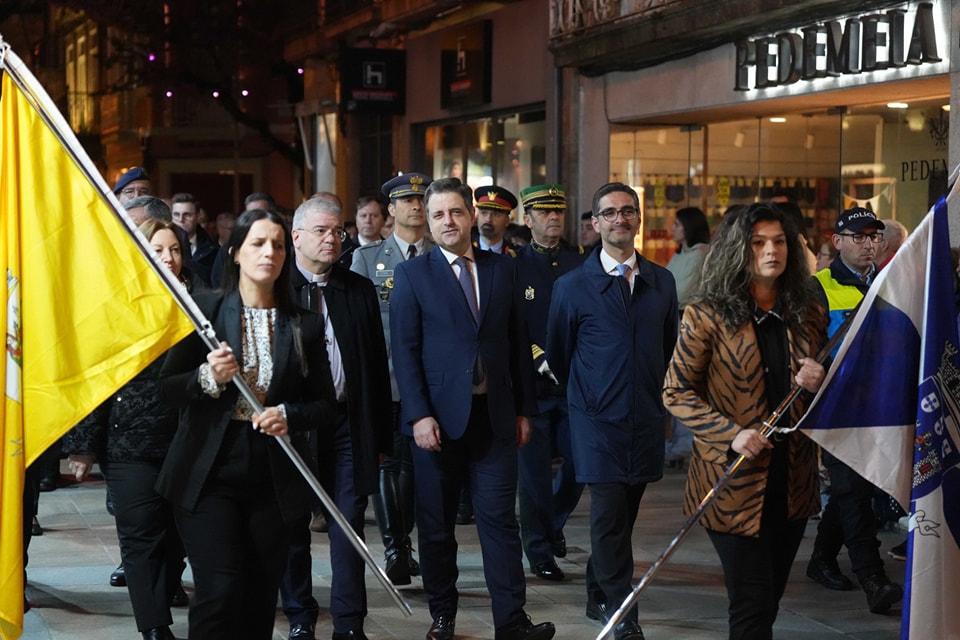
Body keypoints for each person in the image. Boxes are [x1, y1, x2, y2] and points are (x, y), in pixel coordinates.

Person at [156, 209, 337, 640]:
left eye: (278, 245)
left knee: (259, 596)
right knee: (220, 590)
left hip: (272, 474)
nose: (269, 252)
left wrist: (288, 415)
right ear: (236, 252)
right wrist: (207, 377)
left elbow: (325, 405)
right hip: (208, 471)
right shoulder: (205, 311)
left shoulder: (304, 324)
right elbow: (167, 389)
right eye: (258, 243)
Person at [390, 177, 555, 640]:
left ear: (471, 215)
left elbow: (518, 343)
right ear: (429, 221)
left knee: (501, 522)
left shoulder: (503, 269)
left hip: (496, 418)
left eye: (456, 212)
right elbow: (404, 351)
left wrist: (524, 410)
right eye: (438, 214)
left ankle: (512, 621)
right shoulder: (412, 275)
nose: (448, 221)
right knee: (437, 526)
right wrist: (419, 415)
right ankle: (443, 616)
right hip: (436, 424)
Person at [662, 203, 828, 640]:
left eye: (779, 241)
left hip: (792, 483)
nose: (772, 251)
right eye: (758, 243)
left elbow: (831, 389)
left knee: (767, 600)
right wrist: (731, 434)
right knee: (752, 604)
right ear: (738, 250)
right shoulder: (706, 314)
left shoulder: (807, 311)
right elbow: (675, 391)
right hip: (732, 482)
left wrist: (821, 380)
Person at [546, 182, 678, 640]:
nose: (619, 219)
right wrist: (592, 394)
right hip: (595, 420)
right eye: (609, 212)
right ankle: (623, 613)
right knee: (607, 516)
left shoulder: (662, 282)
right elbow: (559, 354)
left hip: (644, 417)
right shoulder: (571, 286)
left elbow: (667, 346)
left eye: (627, 211)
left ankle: (597, 593)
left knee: (623, 516)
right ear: (596, 222)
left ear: (638, 218)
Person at [64, 220, 196, 640]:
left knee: (177, 536)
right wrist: (83, 446)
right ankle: (155, 626)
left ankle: (165, 592)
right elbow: (95, 378)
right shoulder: (116, 306)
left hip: (184, 439)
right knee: (141, 536)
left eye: (174, 250)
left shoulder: (199, 304)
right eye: (158, 249)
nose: (168, 258)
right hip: (128, 441)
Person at [280, 196, 393, 640]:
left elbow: (374, 366)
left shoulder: (357, 289)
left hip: (347, 424)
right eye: (321, 231)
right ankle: (300, 617)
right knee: (292, 527)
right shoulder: (277, 288)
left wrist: (379, 436)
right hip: (292, 427)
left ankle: (348, 624)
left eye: (337, 231)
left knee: (348, 525)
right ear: (297, 237)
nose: (331, 239)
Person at [805, 207, 904, 614]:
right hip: (838, 406)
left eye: (874, 236)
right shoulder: (818, 287)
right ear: (838, 241)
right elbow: (807, 351)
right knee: (851, 490)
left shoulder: (891, 281)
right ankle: (872, 578)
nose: (868, 244)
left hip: (881, 403)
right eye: (858, 236)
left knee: (857, 488)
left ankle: (821, 558)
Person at [351, 172, 434, 585]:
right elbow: (358, 326)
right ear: (391, 210)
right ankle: (395, 547)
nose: (415, 207)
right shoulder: (367, 260)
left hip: (433, 381)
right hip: (386, 380)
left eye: (421, 200)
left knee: (422, 469)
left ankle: (411, 541)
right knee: (391, 463)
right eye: (407, 201)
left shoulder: (443, 254)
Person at [514, 184, 585, 582]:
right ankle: (539, 551)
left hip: (573, 384)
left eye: (558, 211)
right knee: (534, 478)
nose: (553, 217)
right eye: (543, 212)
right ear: (528, 220)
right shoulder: (514, 265)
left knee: (581, 464)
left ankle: (552, 521)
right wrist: (538, 356)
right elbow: (511, 324)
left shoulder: (581, 261)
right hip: (533, 389)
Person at [664, 206, 711, 468]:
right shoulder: (680, 253)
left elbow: (679, 291)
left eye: (677, 224)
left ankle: (684, 443)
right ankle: (678, 442)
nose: (672, 229)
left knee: (684, 382)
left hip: (688, 323)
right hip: (675, 320)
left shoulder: (700, 254)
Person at [171, 193, 218, 285]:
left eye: (187, 215)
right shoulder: (161, 245)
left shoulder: (213, 250)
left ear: (198, 216)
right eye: (176, 214)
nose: (180, 220)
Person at [473, 185, 517, 256]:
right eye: (484, 213)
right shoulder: (464, 252)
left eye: (496, 214)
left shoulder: (517, 255)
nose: (488, 219)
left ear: (507, 221)